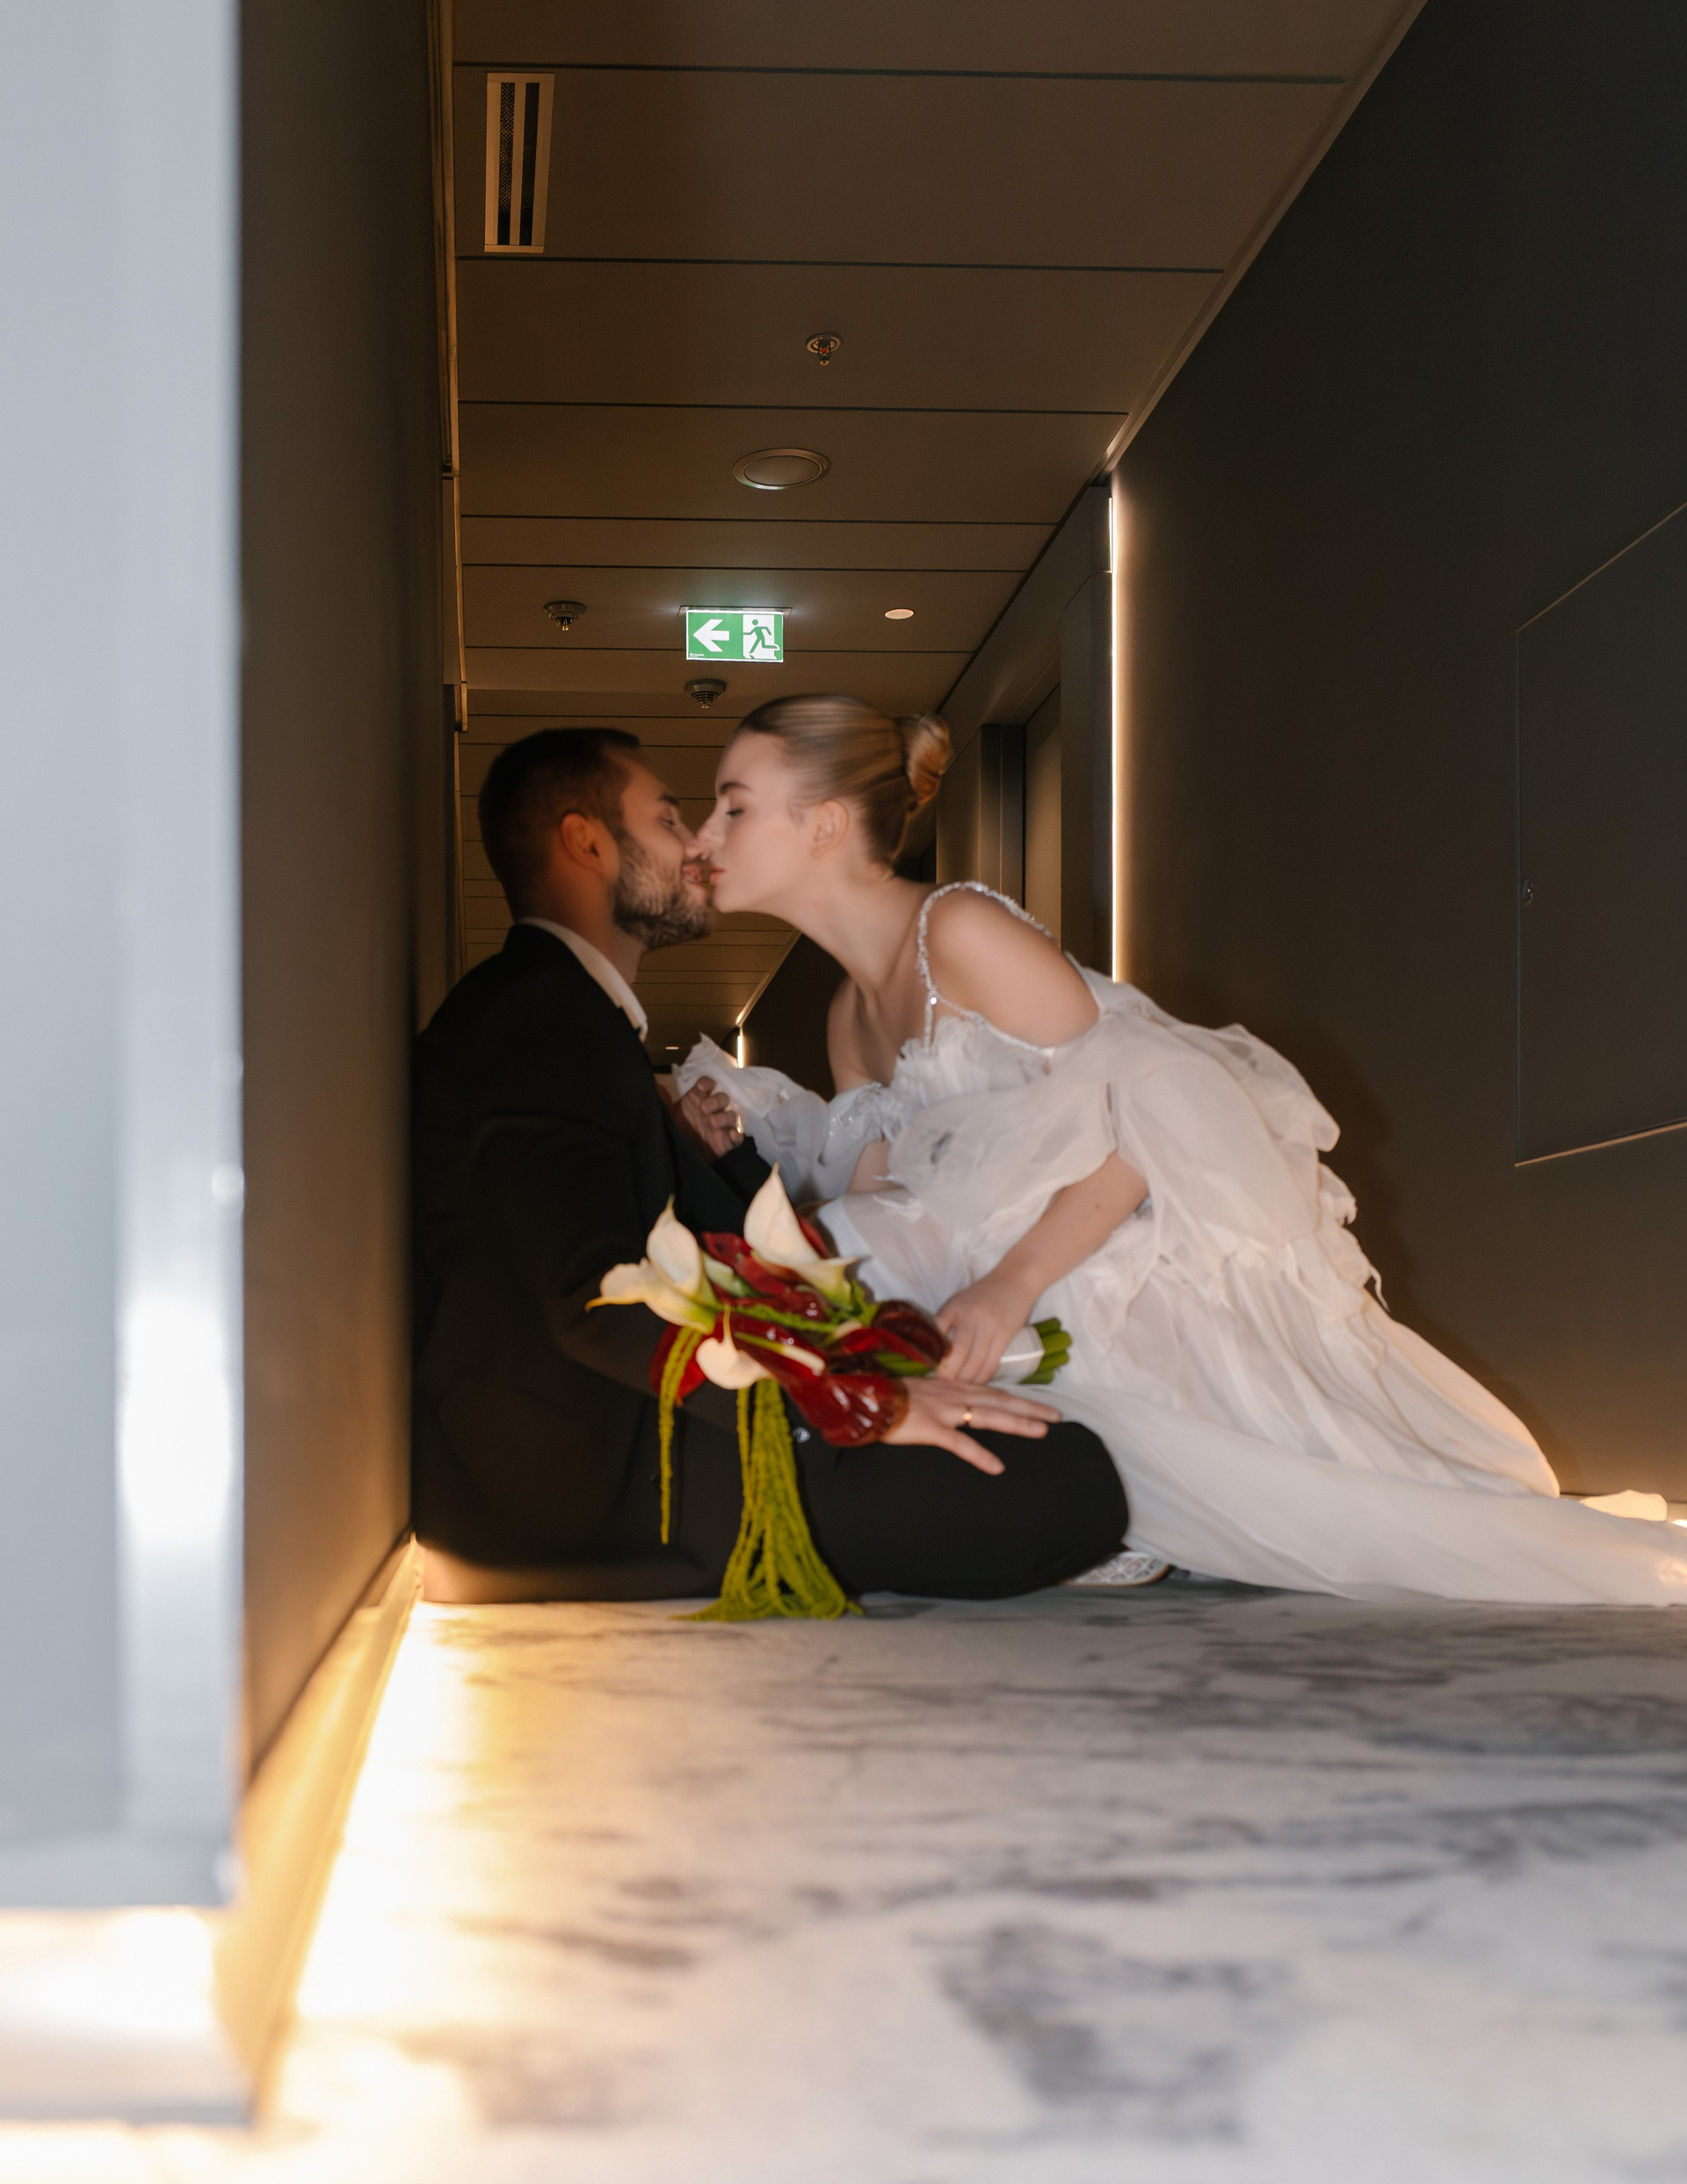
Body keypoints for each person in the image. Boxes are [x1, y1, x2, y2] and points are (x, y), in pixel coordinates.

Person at [681, 693, 1687, 1606]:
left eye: (733, 807)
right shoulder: (849, 1018)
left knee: (1372, 1517)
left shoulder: (960, 932)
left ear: (824, 823)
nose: (705, 836)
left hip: (1120, 1260)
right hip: (1013, 1286)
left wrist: (1011, 1284)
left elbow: (1161, 1115)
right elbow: (887, 1213)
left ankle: (1134, 1490)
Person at [410, 725, 1128, 1602]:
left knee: (1062, 1455)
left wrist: (731, 1176)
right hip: (593, 1477)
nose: (696, 844)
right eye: (669, 819)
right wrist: (858, 1404)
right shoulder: (538, 1015)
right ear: (587, 844)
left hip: (620, 1437)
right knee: (1070, 1481)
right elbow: (588, 1296)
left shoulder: (563, 1013)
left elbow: (697, 1248)